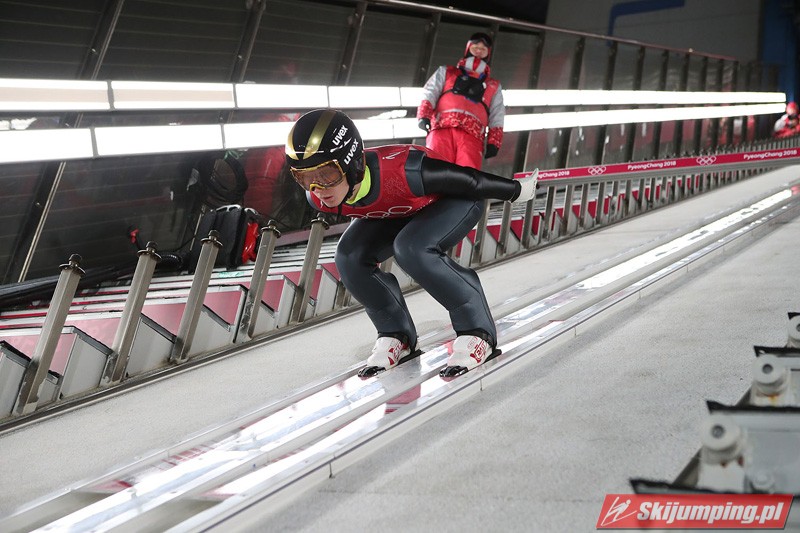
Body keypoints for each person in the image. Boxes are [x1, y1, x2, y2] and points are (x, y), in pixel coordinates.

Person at [285, 109, 537, 375]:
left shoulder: (406, 171)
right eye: (305, 178)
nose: (318, 189)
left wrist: (516, 190)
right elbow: (370, 208)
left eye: (326, 175)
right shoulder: (319, 197)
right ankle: (396, 334)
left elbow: (468, 180)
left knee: (412, 248)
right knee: (349, 257)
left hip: (455, 198)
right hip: (401, 208)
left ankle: (477, 331)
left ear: (352, 165)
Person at [416, 32, 505, 170]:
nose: (479, 50)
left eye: (483, 49)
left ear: (488, 53)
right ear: (468, 48)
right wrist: (423, 115)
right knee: (435, 170)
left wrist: (494, 141)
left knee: (467, 175)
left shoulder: (493, 85)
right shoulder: (446, 72)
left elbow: (497, 113)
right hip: (442, 128)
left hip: (473, 136)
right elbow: (430, 92)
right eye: (475, 47)